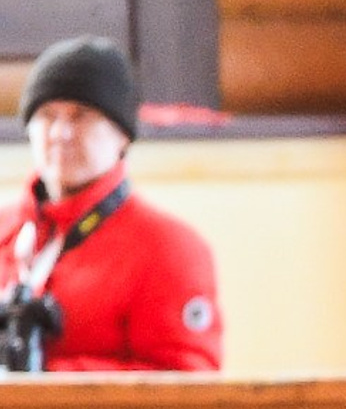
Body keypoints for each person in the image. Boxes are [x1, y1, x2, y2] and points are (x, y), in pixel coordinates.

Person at [0, 35, 222, 374]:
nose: (60, 133)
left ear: (122, 135)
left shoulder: (168, 248)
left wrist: (46, 376)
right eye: (47, 115)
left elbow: (186, 380)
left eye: (81, 116)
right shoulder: (6, 230)